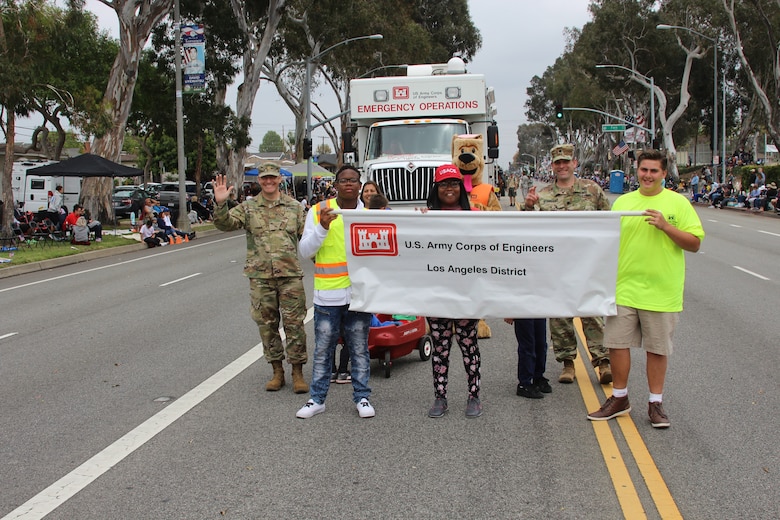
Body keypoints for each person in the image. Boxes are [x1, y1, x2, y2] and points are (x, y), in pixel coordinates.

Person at [588, 149, 704, 429]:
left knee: (657, 349)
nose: (648, 175)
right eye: (644, 170)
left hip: (661, 290)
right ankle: (619, 398)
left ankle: (655, 403)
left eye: (654, 171)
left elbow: (694, 243)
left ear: (664, 173)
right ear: (636, 171)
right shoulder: (624, 203)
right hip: (624, 287)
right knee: (616, 344)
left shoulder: (678, 203)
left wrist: (666, 226)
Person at [212, 163, 310, 394]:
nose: (268, 182)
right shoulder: (248, 208)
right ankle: (277, 371)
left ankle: (297, 372)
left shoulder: (295, 208)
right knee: (267, 326)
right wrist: (220, 203)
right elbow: (225, 225)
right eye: (264, 178)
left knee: (295, 325)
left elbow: (308, 239)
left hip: (290, 276)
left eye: (272, 178)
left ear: (279, 180)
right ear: (259, 181)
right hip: (261, 277)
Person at [522, 143, 612, 385]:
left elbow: (610, 221)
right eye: (557, 162)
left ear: (574, 163)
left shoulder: (592, 190)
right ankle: (568, 363)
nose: (562, 166)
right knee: (561, 317)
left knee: (593, 313)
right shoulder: (543, 195)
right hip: (557, 267)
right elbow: (525, 229)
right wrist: (529, 206)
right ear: (552, 166)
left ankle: (603, 362)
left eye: (566, 161)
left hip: (588, 265)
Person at [296, 164, 375, 419]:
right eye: (343, 180)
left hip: (359, 295)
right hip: (328, 295)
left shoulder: (370, 213)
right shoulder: (319, 211)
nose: (349, 184)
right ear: (336, 184)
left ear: (360, 184)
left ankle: (362, 397)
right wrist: (322, 228)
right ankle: (317, 399)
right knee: (323, 349)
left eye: (353, 180)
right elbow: (305, 251)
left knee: (360, 348)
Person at [423, 164, 483, 418]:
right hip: (437, 295)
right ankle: (440, 397)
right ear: (436, 189)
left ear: (462, 187)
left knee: (469, 346)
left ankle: (474, 396)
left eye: (454, 184)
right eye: (444, 184)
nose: (450, 189)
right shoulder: (423, 218)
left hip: (466, 294)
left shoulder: (477, 215)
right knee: (440, 348)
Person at [505, 318, 550, 399]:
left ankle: (538, 376)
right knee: (527, 346)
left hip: (538, 308)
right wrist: (509, 312)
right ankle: (524, 383)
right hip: (522, 309)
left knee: (541, 344)